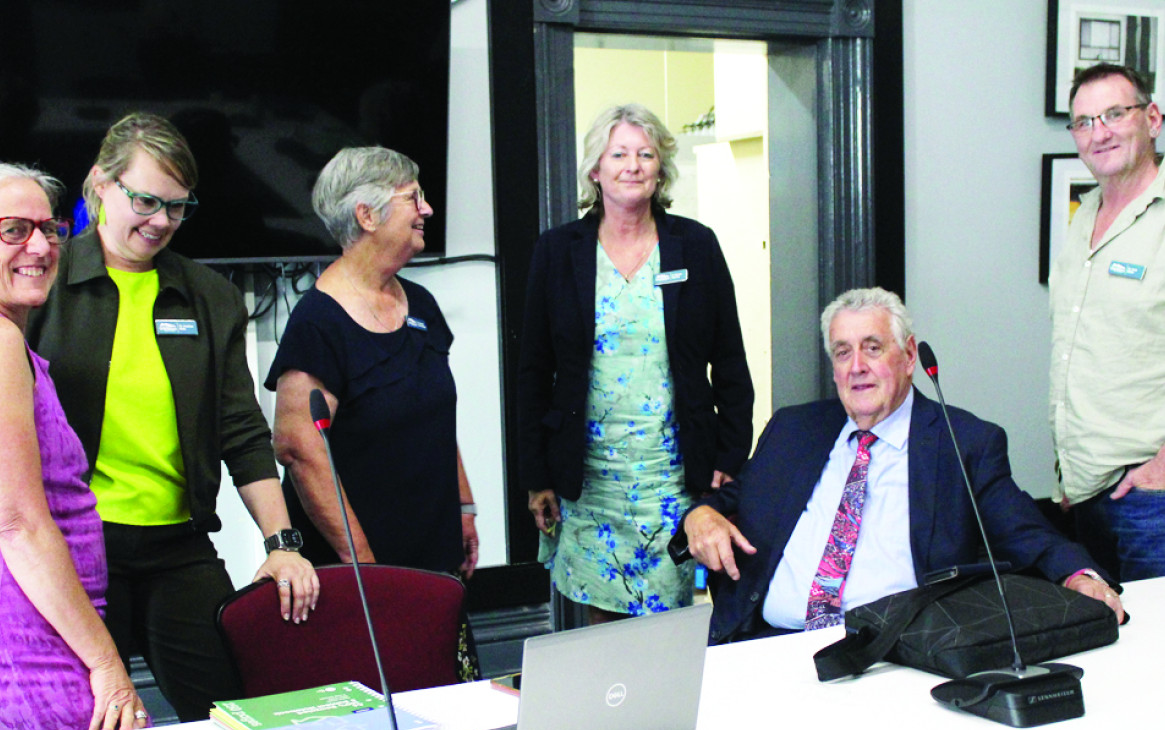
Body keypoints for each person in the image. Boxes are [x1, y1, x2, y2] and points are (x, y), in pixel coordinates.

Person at [25, 113, 319, 723]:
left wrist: (283, 543)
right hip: (79, 546)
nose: (161, 221)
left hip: (177, 548)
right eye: (146, 200)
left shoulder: (207, 296)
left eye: (178, 207)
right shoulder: (45, 282)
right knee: (88, 724)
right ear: (100, 185)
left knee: (236, 717)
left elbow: (240, 429)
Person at [673, 287, 1124, 644]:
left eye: (873, 348)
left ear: (909, 357)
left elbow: (1025, 530)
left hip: (888, 654)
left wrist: (1080, 576)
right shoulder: (794, 430)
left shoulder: (962, 442)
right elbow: (735, 499)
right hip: (767, 643)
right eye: (843, 352)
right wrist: (700, 515)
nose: (857, 367)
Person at [519, 104, 753, 623]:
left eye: (646, 154)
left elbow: (731, 363)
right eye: (619, 153)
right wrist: (537, 476)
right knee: (603, 631)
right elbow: (534, 372)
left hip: (672, 479)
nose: (633, 165)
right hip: (589, 482)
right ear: (595, 170)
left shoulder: (696, 246)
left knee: (671, 621)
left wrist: (731, 456)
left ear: (661, 169)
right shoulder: (557, 251)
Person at [268, 147, 479, 578]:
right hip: (361, 572)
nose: (427, 209)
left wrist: (464, 504)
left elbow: (435, 416)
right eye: (413, 198)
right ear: (367, 215)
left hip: (432, 551)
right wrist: (362, 562)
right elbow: (298, 450)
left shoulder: (420, 303)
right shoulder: (318, 324)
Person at [0, 163, 148, 730]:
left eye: (50, 228)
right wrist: (108, 663)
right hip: (34, 646)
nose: (39, 246)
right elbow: (18, 523)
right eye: (13, 230)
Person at [1049, 64, 1165, 582]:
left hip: (1151, 501)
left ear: (1153, 118)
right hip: (1084, 494)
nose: (1099, 132)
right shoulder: (1082, 216)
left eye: (1115, 114)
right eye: (1083, 121)